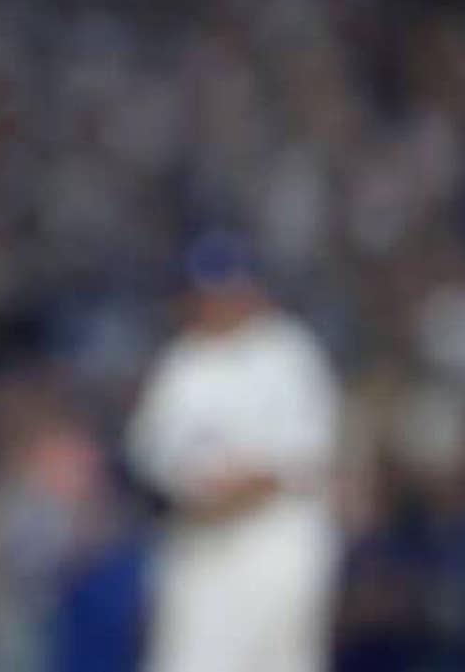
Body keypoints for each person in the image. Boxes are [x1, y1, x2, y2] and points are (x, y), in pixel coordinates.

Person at [124, 232, 341, 672]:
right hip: (201, 546)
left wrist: (234, 492)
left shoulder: (287, 350)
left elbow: (306, 452)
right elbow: (148, 456)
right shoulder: (181, 361)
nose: (211, 302)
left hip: (274, 541)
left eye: (222, 289)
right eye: (201, 292)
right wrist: (196, 494)